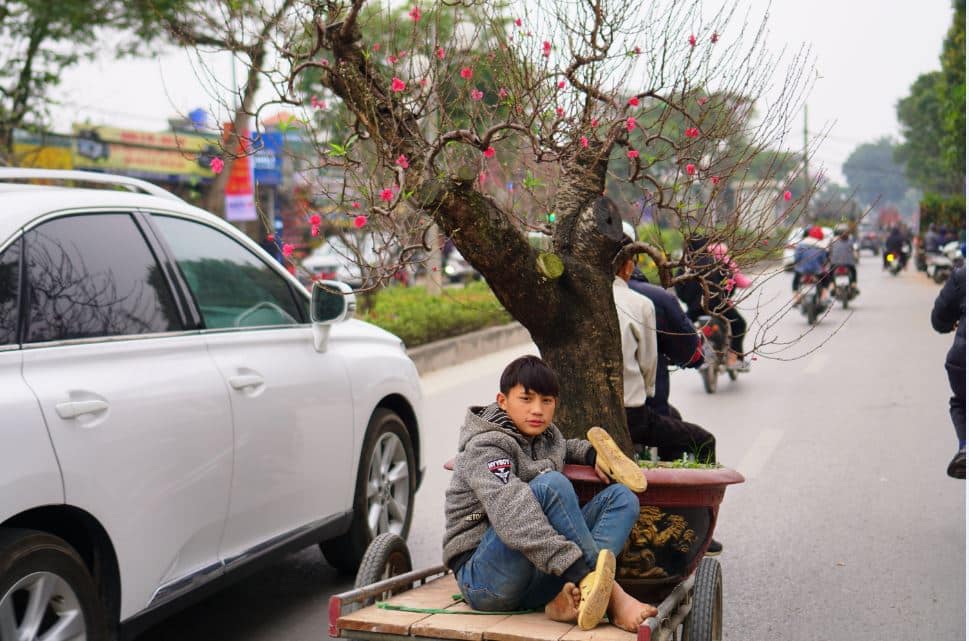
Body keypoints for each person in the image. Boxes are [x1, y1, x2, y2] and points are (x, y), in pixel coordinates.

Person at [443, 355, 659, 631]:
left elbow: (564, 446)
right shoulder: (485, 448)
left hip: (536, 574)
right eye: (526, 399)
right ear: (502, 401)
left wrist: (592, 453)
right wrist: (577, 567)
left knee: (622, 499)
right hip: (485, 581)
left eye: (547, 401)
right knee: (551, 485)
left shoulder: (545, 437)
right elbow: (514, 520)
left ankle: (565, 595)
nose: (537, 410)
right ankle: (610, 596)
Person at [931, 267, 966, 479]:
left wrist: (947, 324)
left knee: (962, 403)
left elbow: (939, 317)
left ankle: (966, 448)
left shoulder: (963, 275)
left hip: (964, 361)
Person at [793, 226, 829, 304]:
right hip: (817, 270)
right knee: (825, 279)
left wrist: (797, 264)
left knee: (795, 280)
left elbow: (796, 258)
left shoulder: (800, 245)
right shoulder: (821, 246)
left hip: (802, 270)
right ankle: (823, 296)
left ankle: (796, 297)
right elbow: (823, 260)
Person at [829, 226, 859, 294]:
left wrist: (829, 259)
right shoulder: (851, 241)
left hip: (835, 263)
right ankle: (853, 286)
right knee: (853, 272)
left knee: (830, 273)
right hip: (849, 263)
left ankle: (832, 286)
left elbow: (830, 252)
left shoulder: (833, 241)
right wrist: (856, 258)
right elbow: (855, 251)